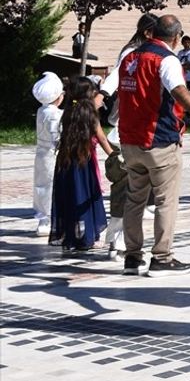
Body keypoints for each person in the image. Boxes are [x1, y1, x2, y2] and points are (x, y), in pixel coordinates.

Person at [118, 15, 190, 277]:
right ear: (177, 36)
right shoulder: (165, 59)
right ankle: (162, 257)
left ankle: (132, 257)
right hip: (158, 140)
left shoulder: (130, 57)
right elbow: (178, 90)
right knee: (165, 201)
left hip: (130, 140)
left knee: (135, 199)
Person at [96, 13, 160, 258]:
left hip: (141, 126)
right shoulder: (132, 54)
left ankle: (121, 240)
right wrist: (101, 94)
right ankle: (118, 241)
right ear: (147, 33)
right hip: (127, 126)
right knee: (128, 186)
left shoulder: (150, 53)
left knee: (136, 188)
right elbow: (116, 76)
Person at [48, 77, 113, 251]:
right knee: (85, 198)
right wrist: (114, 156)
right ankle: (87, 237)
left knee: (70, 197)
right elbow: (101, 138)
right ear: (88, 94)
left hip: (65, 162)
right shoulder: (90, 114)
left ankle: (70, 236)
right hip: (84, 163)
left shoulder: (68, 110)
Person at [31, 72, 64, 236]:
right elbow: (56, 135)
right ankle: (48, 218)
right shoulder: (56, 114)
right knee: (51, 185)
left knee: (41, 185)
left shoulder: (41, 110)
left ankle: (43, 218)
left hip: (41, 154)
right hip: (52, 154)